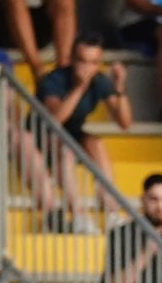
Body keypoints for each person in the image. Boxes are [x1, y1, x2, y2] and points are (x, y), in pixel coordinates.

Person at [38, 36, 132, 186]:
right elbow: (54, 120)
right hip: (41, 134)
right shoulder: (55, 79)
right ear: (72, 59)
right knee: (65, 151)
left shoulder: (99, 80)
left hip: (73, 133)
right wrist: (80, 87)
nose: (87, 68)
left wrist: (119, 88)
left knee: (96, 143)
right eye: (82, 61)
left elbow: (125, 123)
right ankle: (75, 208)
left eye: (93, 62)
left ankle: (110, 205)